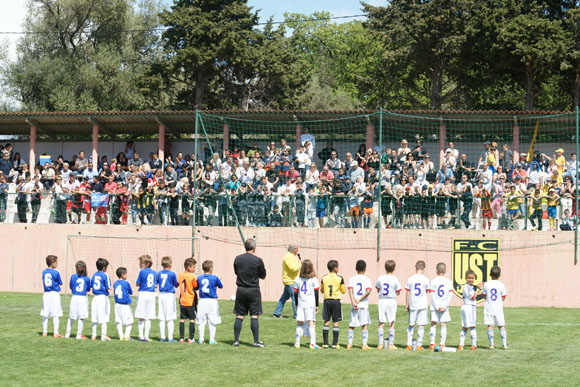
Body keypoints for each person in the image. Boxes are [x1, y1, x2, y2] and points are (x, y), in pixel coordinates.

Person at [233, 239, 267, 347]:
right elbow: (263, 276)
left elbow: (236, 272)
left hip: (241, 290)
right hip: (253, 290)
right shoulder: (258, 260)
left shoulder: (238, 258)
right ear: (254, 248)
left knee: (239, 315)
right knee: (254, 316)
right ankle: (256, 341)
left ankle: (236, 340)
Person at [293, 259, 320, 349]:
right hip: (310, 304)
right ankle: (312, 343)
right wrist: (317, 305)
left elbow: (295, 293)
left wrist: (296, 304)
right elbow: (316, 293)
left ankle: (297, 343)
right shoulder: (313, 279)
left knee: (299, 323)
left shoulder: (297, 279)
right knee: (311, 322)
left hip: (301, 304)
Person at [375, 260, 402, 350]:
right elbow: (398, 292)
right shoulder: (395, 279)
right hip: (391, 301)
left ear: (385, 268)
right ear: (394, 268)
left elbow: (378, 289)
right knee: (391, 321)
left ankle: (380, 344)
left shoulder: (380, 278)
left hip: (382, 300)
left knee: (381, 322)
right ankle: (390, 344)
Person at [347, 260, 372, 350]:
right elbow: (368, 291)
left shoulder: (352, 279)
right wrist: (359, 300)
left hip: (354, 305)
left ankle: (349, 344)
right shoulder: (367, 279)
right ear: (365, 269)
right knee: (364, 324)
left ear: (355, 268)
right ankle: (364, 344)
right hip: (363, 305)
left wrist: (353, 301)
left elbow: (350, 291)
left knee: (351, 325)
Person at [320, 260, 346, 349]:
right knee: (335, 322)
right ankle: (335, 344)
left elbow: (322, 290)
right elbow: (343, 291)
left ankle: (325, 343)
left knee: (326, 321)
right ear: (335, 268)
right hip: (336, 301)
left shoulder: (324, 278)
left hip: (327, 301)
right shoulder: (340, 278)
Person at [197, 260, 223, 345]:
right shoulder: (214, 277)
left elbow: (197, 287)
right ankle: (212, 339)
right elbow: (221, 286)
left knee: (201, 320)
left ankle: (201, 339)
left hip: (202, 301)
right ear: (211, 268)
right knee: (212, 320)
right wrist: (219, 280)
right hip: (212, 301)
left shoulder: (199, 277)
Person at [405, 260, 429, 350]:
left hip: (413, 304)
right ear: (424, 269)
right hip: (422, 304)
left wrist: (407, 304)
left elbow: (407, 292)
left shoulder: (410, 279)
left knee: (411, 324)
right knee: (421, 324)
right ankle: (419, 344)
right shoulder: (426, 279)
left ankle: (409, 344)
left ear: (415, 268)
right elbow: (427, 291)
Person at [428, 263, 453, 350]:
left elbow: (433, 294)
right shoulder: (448, 281)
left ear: (436, 270)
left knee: (433, 324)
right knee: (443, 325)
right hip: (444, 307)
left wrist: (436, 306)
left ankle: (432, 343)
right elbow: (450, 295)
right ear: (445, 271)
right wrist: (445, 306)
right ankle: (442, 344)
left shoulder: (433, 281)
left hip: (435, 306)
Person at [482, 266, 508, 350]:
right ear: (500, 275)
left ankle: (492, 344)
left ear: (490, 274)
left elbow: (484, 296)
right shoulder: (501, 285)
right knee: (501, 326)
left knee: (490, 326)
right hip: (498, 309)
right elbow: (504, 297)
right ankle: (504, 344)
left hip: (489, 308)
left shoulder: (486, 284)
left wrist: (480, 288)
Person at [273, 245, 301, 318]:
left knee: (284, 297)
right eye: (297, 249)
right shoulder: (289, 257)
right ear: (293, 250)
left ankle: (276, 313)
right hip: (290, 281)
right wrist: (300, 264)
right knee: (294, 298)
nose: (297, 251)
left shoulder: (291, 256)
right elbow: (293, 268)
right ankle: (297, 315)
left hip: (291, 280)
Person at [65, 260, 90, 340]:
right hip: (82, 298)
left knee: (71, 316)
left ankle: (67, 334)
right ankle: (78, 335)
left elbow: (71, 286)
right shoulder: (87, 278)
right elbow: (88, 289)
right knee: (81, 317)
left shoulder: (73, 276)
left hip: (74, 297)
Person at [459, 269, 482, 350]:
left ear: (474, 278)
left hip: (464, 307)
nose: (470, 280)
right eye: (469, 278)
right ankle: (474, 345)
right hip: (469, 307)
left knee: (464, 327)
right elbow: (473, 297)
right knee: (472, 326)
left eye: (472, 278)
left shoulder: (467, 286)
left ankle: (461, 344)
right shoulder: (468, 287)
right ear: (465, 278)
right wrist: (479, 289)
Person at [135, 255, 157, 342]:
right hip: (151, 294)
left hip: (143, 293)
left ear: (147, 264)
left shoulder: (141, 272)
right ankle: (146, 336)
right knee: (148, 316)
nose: (140, 265)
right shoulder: (154, 272)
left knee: (141, 316)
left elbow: (137, 283)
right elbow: (155, 284)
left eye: (141, 263)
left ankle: (140, 336)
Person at [157, 256, 179, 342]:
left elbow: (158, 282)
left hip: (161, 295)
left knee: (162, 317)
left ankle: (162, 337)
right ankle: (170, 337)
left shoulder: (159, 273)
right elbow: (176, 284)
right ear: (170, 265)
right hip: (169, 295)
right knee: (170, 317)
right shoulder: (172, 274)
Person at [41, 255, 63, 338]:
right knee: (56, 314)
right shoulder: (56, 272)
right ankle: (55, 332)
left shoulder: (44, 272)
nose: (57, 264)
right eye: (56, 262)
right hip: (54, 294)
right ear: (53, 263)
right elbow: (60, 282)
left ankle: (44, 332)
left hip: (46, 294)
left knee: (45, 313)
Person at [177, 257, 198, 344]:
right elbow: (196, 287)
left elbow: (178, 284)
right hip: (191, 301)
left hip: (182, 300)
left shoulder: (180, 275)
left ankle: (181, 338)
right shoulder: (193, 276)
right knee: (192, 319)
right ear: (188, 267)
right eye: (193, 267)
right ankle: (191, 338)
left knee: (182, 319)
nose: (194, 269)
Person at [91, 258, 112, 341]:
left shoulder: (94, 275)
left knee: (94, 317)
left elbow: (92, 285)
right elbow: (108, 287)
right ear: (104, 267)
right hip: (103, 297)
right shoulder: (105, 275)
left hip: (95, 297)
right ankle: (103, 336)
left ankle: (94, 335)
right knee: (104, 316)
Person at [114, 267, 134, 341]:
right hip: (125, 304)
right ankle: (127, 336)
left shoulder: (115, 283)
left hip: (117, 304)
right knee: (129, 320)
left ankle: (121, 336)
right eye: (126, 274)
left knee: (118, 320)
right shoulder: (126, 282)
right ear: (123, 274)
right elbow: (131, 292)